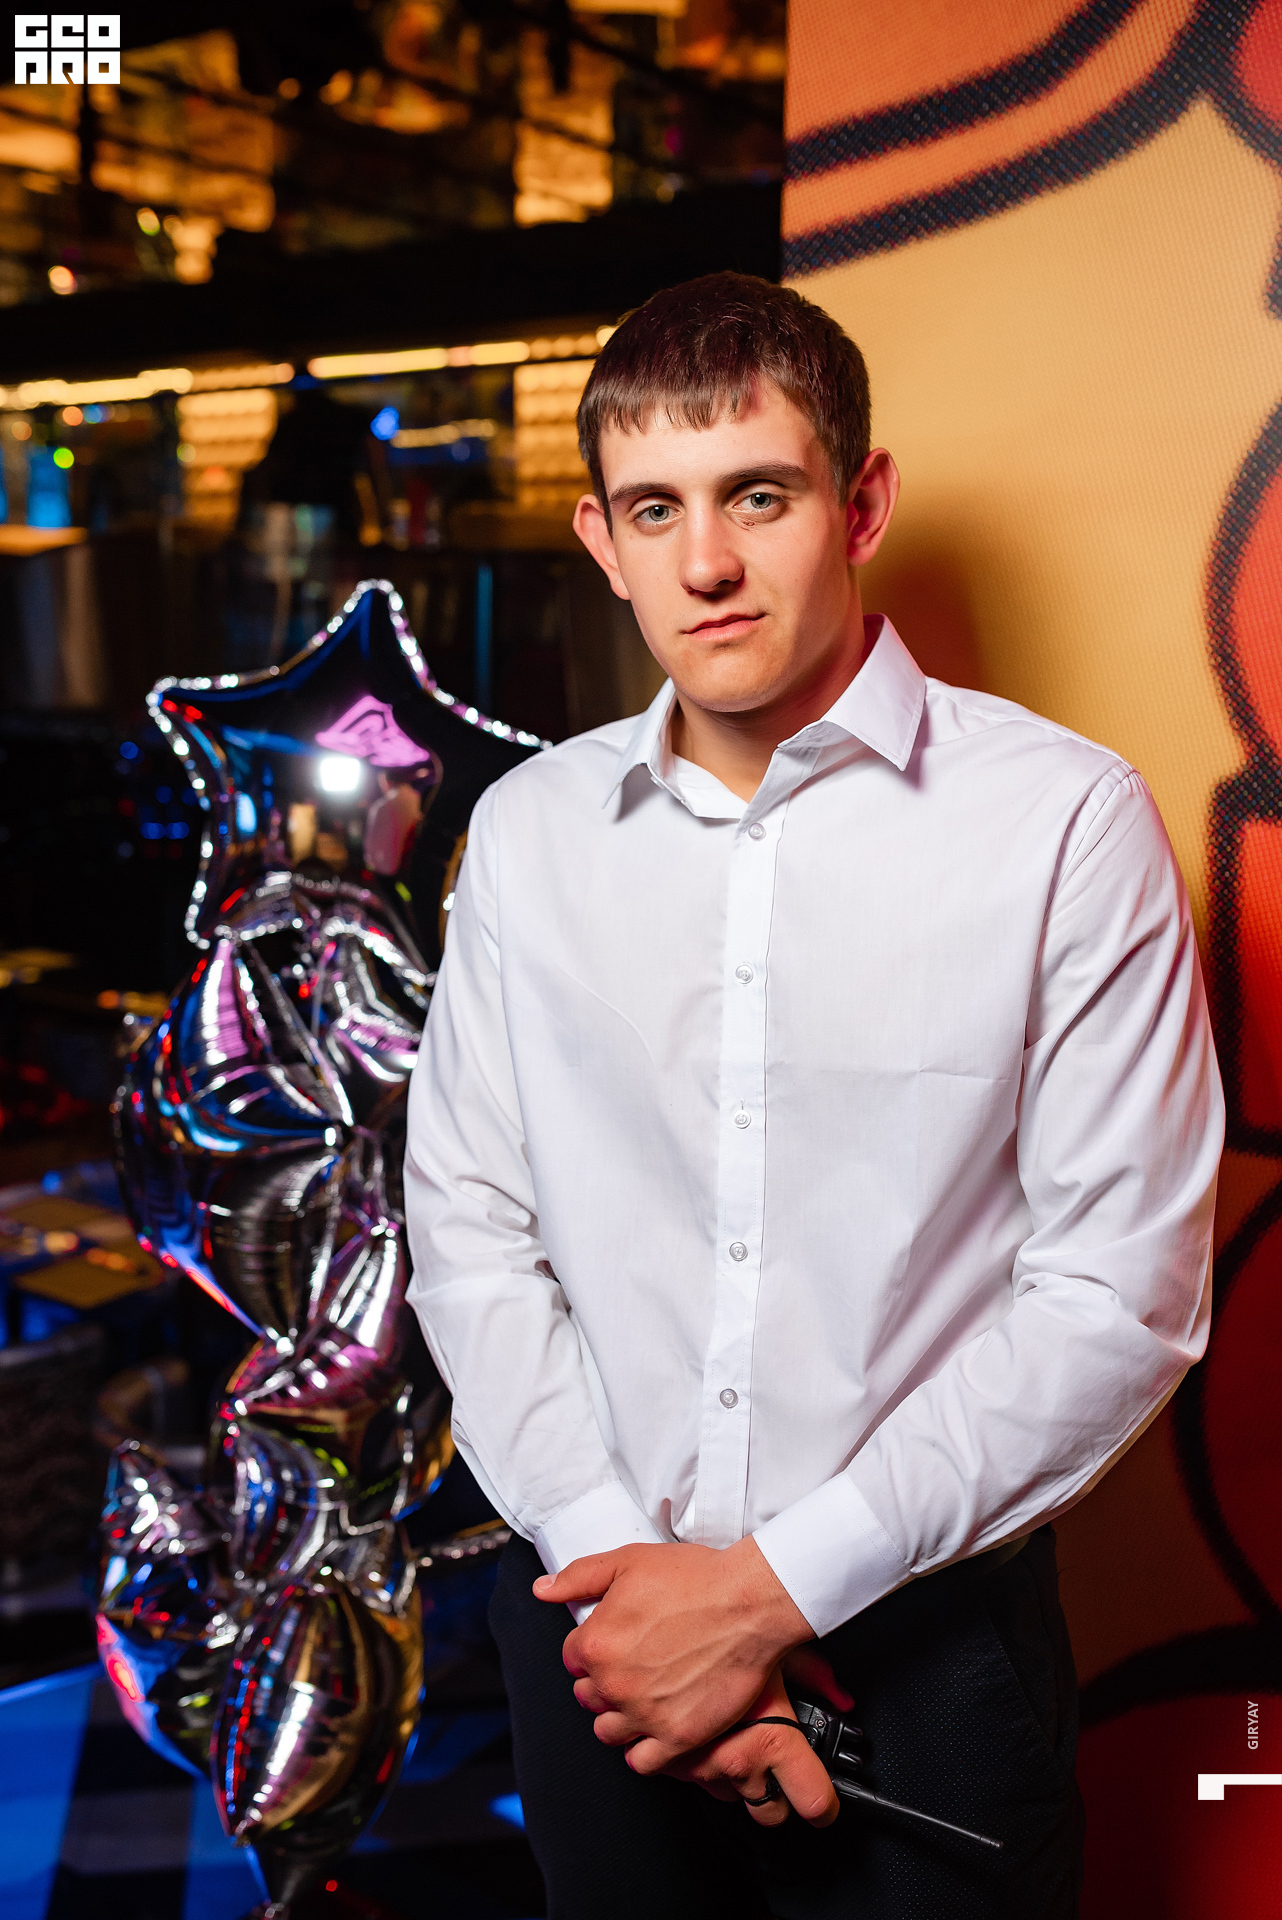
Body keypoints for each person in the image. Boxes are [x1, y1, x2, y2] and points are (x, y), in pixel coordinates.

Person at [403, 272, 1222, 1917]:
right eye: (655, 508)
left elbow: (1115, 1295)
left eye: (756, 495)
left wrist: (760, 1600)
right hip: (589, 1638)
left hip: (928, 1662)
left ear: (860, 504)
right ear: (601, 539)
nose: (704, 561)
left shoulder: (1061, 823)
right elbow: (471, 1236)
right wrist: (639, 1602)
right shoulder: (532, 836)